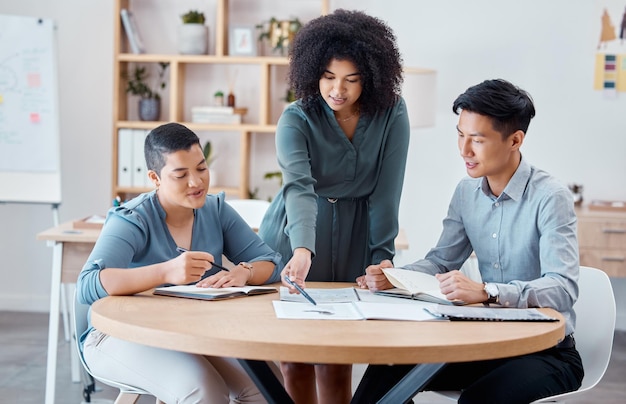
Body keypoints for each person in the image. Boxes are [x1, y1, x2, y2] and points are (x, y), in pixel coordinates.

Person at [351, 79, 584, 404]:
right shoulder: (466, 192)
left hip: (545, 352)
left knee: (479, 399)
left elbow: (562, 287)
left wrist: (487, 291)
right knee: (387, 370)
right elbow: (441, 261)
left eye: (477, 139)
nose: (464, 150)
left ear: (515, 140)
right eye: (461, 135)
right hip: (484, 343)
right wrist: (394, 278)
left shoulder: (550, 197)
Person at [257, 8, 410, 404]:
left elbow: (387, 191)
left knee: (338, 358)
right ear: (313, 72)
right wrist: (302, 249)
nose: (337, 90)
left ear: (371, 78)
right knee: (294, 358)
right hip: (297, 231)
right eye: (328, 77)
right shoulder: (296, 117)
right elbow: (299, 188)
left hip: (357, 234)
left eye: (351, 80)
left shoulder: (392, 112)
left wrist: (383, 257)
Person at [76, 122, 283, 403]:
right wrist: (166, 270)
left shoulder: (216, 210)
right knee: (203, 390)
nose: (196, 182)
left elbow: (270, 262)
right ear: (155, 178)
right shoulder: (132, 219)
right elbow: (87, 284)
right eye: (180, 174)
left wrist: (244, 272)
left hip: (188, 331)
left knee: (266, 386)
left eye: (201, 168)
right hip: (115, 335)